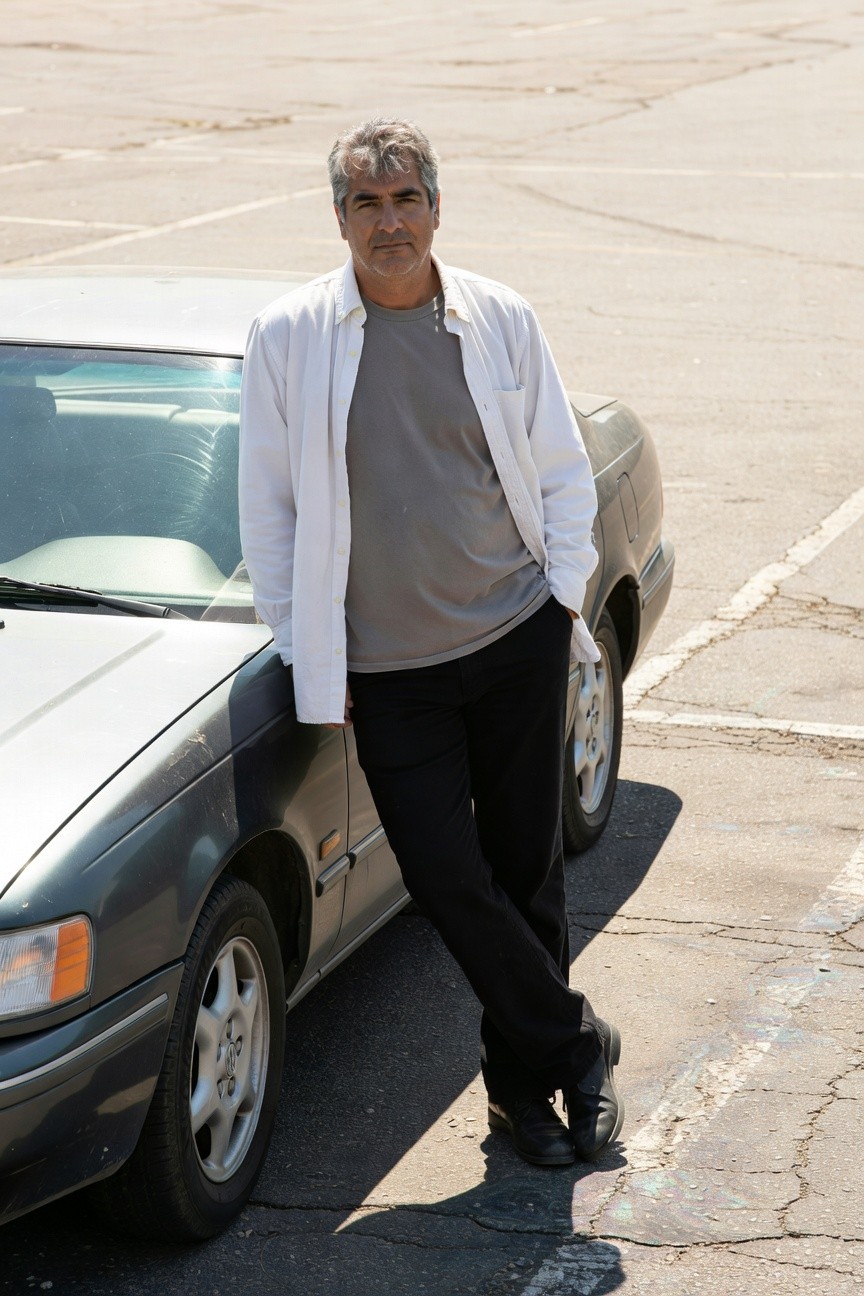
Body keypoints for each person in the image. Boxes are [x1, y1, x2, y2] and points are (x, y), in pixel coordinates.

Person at [239, 117, 623, 1166]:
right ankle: (581, 1045)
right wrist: (304, 643)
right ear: (339, 219)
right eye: (367, 202)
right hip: (389, 673)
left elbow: (558, 467)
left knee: (526, 872)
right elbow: (268, 510)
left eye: (406, 198)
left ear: (436, 207)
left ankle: (525, 1098)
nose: (389, 220)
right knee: (449, 880)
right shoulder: (289, 337)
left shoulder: (498, 317)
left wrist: (561, 598)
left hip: (514, 641)